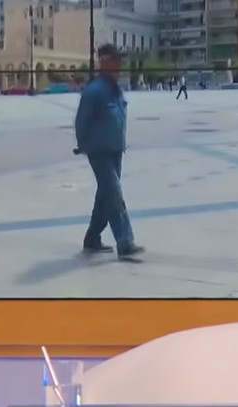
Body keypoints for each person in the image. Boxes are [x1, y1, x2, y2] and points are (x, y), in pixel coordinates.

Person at [74, 43, 144, 260]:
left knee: (105, 196)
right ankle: (125, 242)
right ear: (106, 63)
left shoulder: (116, 88)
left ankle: (92, 238)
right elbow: (81, 120)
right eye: (116, 60)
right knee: (114, 195)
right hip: (99, 151)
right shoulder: (95, 91)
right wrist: (83, 144)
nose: (120, 64)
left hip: (115, 150)